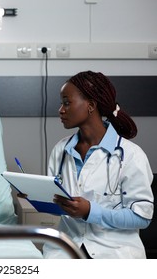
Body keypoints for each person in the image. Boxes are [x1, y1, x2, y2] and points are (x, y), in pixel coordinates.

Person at [43, 71, 154, 259]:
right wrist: (36, 195)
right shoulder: (60, 150)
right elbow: (56, 200)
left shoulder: (131, 155)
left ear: (91, 106)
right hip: (65, 250)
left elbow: (142, 217)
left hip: (114, 252)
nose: (61, 110)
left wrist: (90, 212)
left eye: (67, 103)